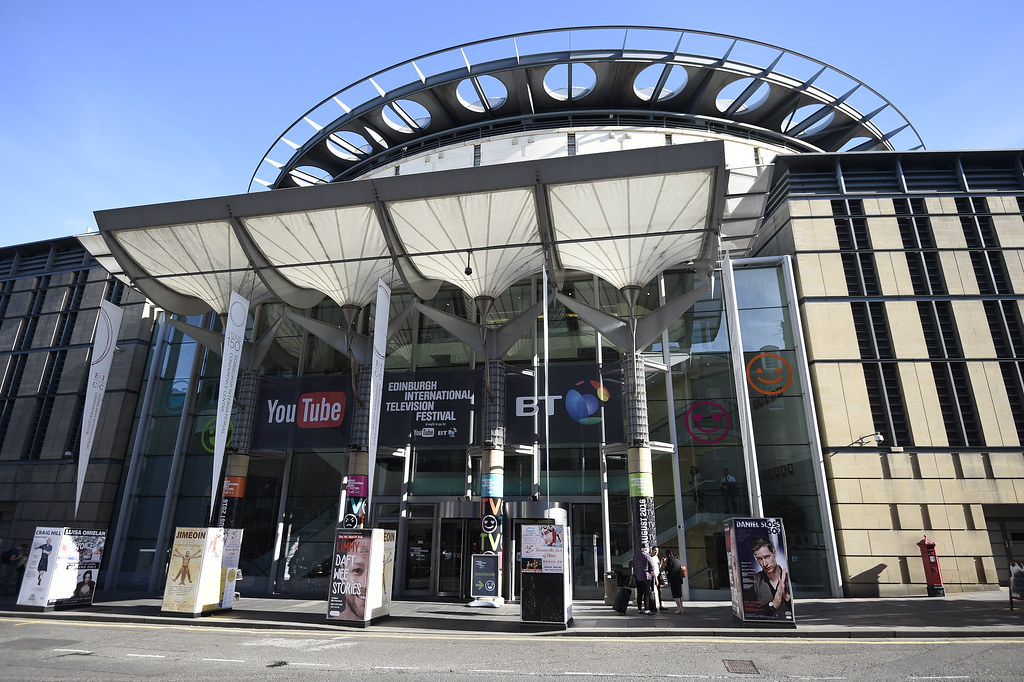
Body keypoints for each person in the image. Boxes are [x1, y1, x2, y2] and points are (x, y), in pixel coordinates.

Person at [744, 536, 792, 619]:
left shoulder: (789, 579)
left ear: (775, 553)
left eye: (767, 557)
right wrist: (773, 605)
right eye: (759, 559)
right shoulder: (753, 582)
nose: (765, 563)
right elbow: (750, 613)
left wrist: (787, 597)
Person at [631, 544, 657, 615]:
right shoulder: (647, 556)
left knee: (639, 594)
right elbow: (652, 568)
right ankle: (646, 609)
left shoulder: (636, 556)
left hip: (638, 578)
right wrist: (656, 578)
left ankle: (639, 609)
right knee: (646, 594)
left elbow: (633, 566)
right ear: (646, 549)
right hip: (646, 578)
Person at [664, 549, 686, 614]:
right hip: (679, 579)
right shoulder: (678, 560)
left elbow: (666, 568)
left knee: (675, 595)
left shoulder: (670, 560)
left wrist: (665, 563)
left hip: (673, 580)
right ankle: (682, 608)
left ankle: (679, 608)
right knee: (679, 594)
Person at [649, 546, 663, 611]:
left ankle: (660, 605)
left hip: (657, 574)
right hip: (652, 575)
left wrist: (661, 563)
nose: (656, 552)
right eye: (655, 550)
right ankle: (652, 605)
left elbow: (658, 567)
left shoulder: (656, 558)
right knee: (652, 590)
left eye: (657, 551)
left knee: (659, 590)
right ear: (652, 550)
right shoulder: (650, 558)